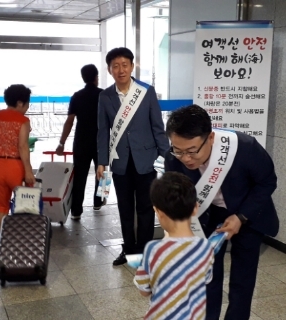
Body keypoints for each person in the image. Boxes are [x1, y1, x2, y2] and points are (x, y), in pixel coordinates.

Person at [164, 105, 279, 320]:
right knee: (207, 275)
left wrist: (241, 217)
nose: (186, 158)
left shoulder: (245, 148)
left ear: (210, 138)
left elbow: (267, 182)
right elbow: (175, 193)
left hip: (247, 213)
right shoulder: (173, 158)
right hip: (208, 214)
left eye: (192, 150)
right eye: (178, 150)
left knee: (242, 278)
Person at [96, 47, 170, 266]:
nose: (121, 70)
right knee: (125, 209)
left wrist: (167, 156)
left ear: (132, 66)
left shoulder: (146, 92)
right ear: (109, 70)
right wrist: (101, 161)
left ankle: (146, 253)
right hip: (120, 162)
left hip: (145, 161)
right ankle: (128, 250)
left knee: (146, 208)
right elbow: (103, 131)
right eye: (116, 66)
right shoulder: (105, 96)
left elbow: (158, 127)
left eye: (125, 65)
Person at [134, 172, 214, 320]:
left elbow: (144, 290)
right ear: (195, 208)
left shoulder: (153, 250)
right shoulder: (205, 247)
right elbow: (206, 279)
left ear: (158, 211)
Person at [0, 84, 35, 230]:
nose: (27, 108)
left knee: (2, 208)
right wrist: (28, 170)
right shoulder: (23, 120)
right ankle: (21, 240)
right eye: (27, 104)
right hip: (15, 166)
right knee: (24, 205)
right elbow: (23, 146)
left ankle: (4, 241)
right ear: (19, 103)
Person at [55, 64, 105, 219]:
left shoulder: (76, 96)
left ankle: (76, 211)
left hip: (81, 142)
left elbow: (69, 121)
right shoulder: (104, 95)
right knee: (104, 173)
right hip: (101, 141)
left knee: (80, 176)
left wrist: (61, 143)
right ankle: (99, 201)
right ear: (96, 77)